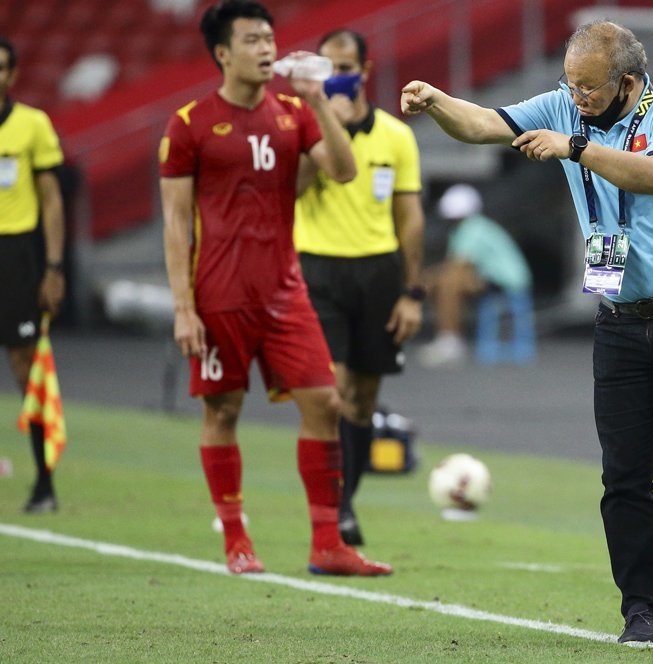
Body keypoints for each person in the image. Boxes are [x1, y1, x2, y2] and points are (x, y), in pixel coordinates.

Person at [402, 19, 653, 645]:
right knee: (624, 476)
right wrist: (437, 102)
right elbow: (482, 126)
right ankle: (642, 611)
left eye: (588, 89)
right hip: (621, 322)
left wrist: (574, 148)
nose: (574, 98)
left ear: (628, 82)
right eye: (570, 86)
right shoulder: (561, 102)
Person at [159, 0, 390, 577]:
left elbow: (343, 170)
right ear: (222, 53)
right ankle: (237, 539)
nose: (266, 48)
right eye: (252, 39)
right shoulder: (188, 124)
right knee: (223, 410)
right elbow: (175, 223)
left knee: (326, 402)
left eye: (269, 37)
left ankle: (327, 545)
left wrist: (316, 98)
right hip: (219, 293)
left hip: (285, 290)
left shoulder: (294, 113)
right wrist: (183, 309)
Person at [294, 28, 425, 547]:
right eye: (326, 68)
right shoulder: (305, 130)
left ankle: (345, 500)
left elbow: (410, 218)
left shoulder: (396, 136)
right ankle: (334, 509)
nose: (337, 77)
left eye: (345, 67)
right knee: (332, 392)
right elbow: (295, 190)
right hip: (318, 270)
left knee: (363, 399)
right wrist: (331, 132)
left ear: (364, 71)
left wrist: (411, 293)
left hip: (377, 274)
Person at [0, 36, 66, 514]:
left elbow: (51, 200)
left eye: (2, 68)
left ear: (12, 75)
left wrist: (55, 267)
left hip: (17, 255)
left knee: (27, 368)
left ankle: (44, 482)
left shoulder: (32, 125)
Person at [418, 183, 533, 368]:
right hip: (493, 279)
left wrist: (428, 279)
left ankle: (450, 340)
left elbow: (458, 265)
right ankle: (447, 337)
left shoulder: (473, 228)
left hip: (507, 282)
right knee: (446, 281)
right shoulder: (470, 227)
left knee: (449, 283)